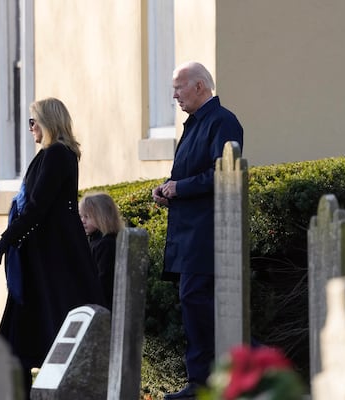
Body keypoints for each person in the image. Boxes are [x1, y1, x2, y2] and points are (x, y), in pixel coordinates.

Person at [0, 97, 105, 399]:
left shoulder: (57, 155)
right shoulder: (51, 155)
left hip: (52, 259)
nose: (30, 128)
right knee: (22, 334)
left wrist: (6, 239)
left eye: (33, 121)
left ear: (48, 122)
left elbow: (38, 207)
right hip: (42, 256)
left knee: (48, 326)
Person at [152, 62, 244, 400]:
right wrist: (167, 188)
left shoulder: (222, 122)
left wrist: (181, 188)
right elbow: (192, 173)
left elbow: (223, 174)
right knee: (192, 303)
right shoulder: (193, 125)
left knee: (196, 300)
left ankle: (211, 378)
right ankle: (204, 379)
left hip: (208, 233)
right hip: (188, 233)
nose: (174, 95)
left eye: (179, 87)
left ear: (200, 87)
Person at [79, 192, 125, 310]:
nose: (82, 220)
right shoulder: (93, 241)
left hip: (101, 307)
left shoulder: (106, 244)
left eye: (87, 216)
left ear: (102, 216)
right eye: (81, 216)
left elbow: (104, 282)